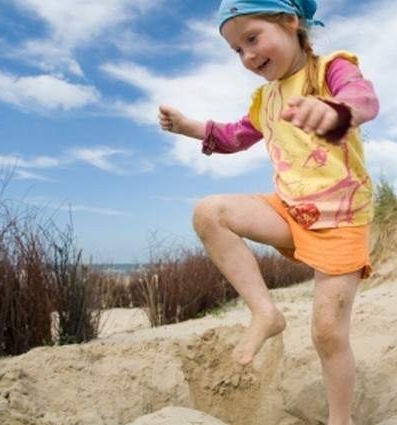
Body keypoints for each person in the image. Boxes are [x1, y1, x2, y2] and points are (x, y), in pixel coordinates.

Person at [158, 1, 379, 423]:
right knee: (210, 212)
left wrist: (336, 110)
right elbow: (235, 136)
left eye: (252, 38)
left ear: (291, 22)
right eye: (237, 50)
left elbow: (363, 98)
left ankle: (340, 418)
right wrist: (189, 127)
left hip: (341, 219)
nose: (247, 56)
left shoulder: (329, 69)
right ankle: (265, 311)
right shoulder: (266, 98)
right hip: (290, 212)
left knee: (328, 333)